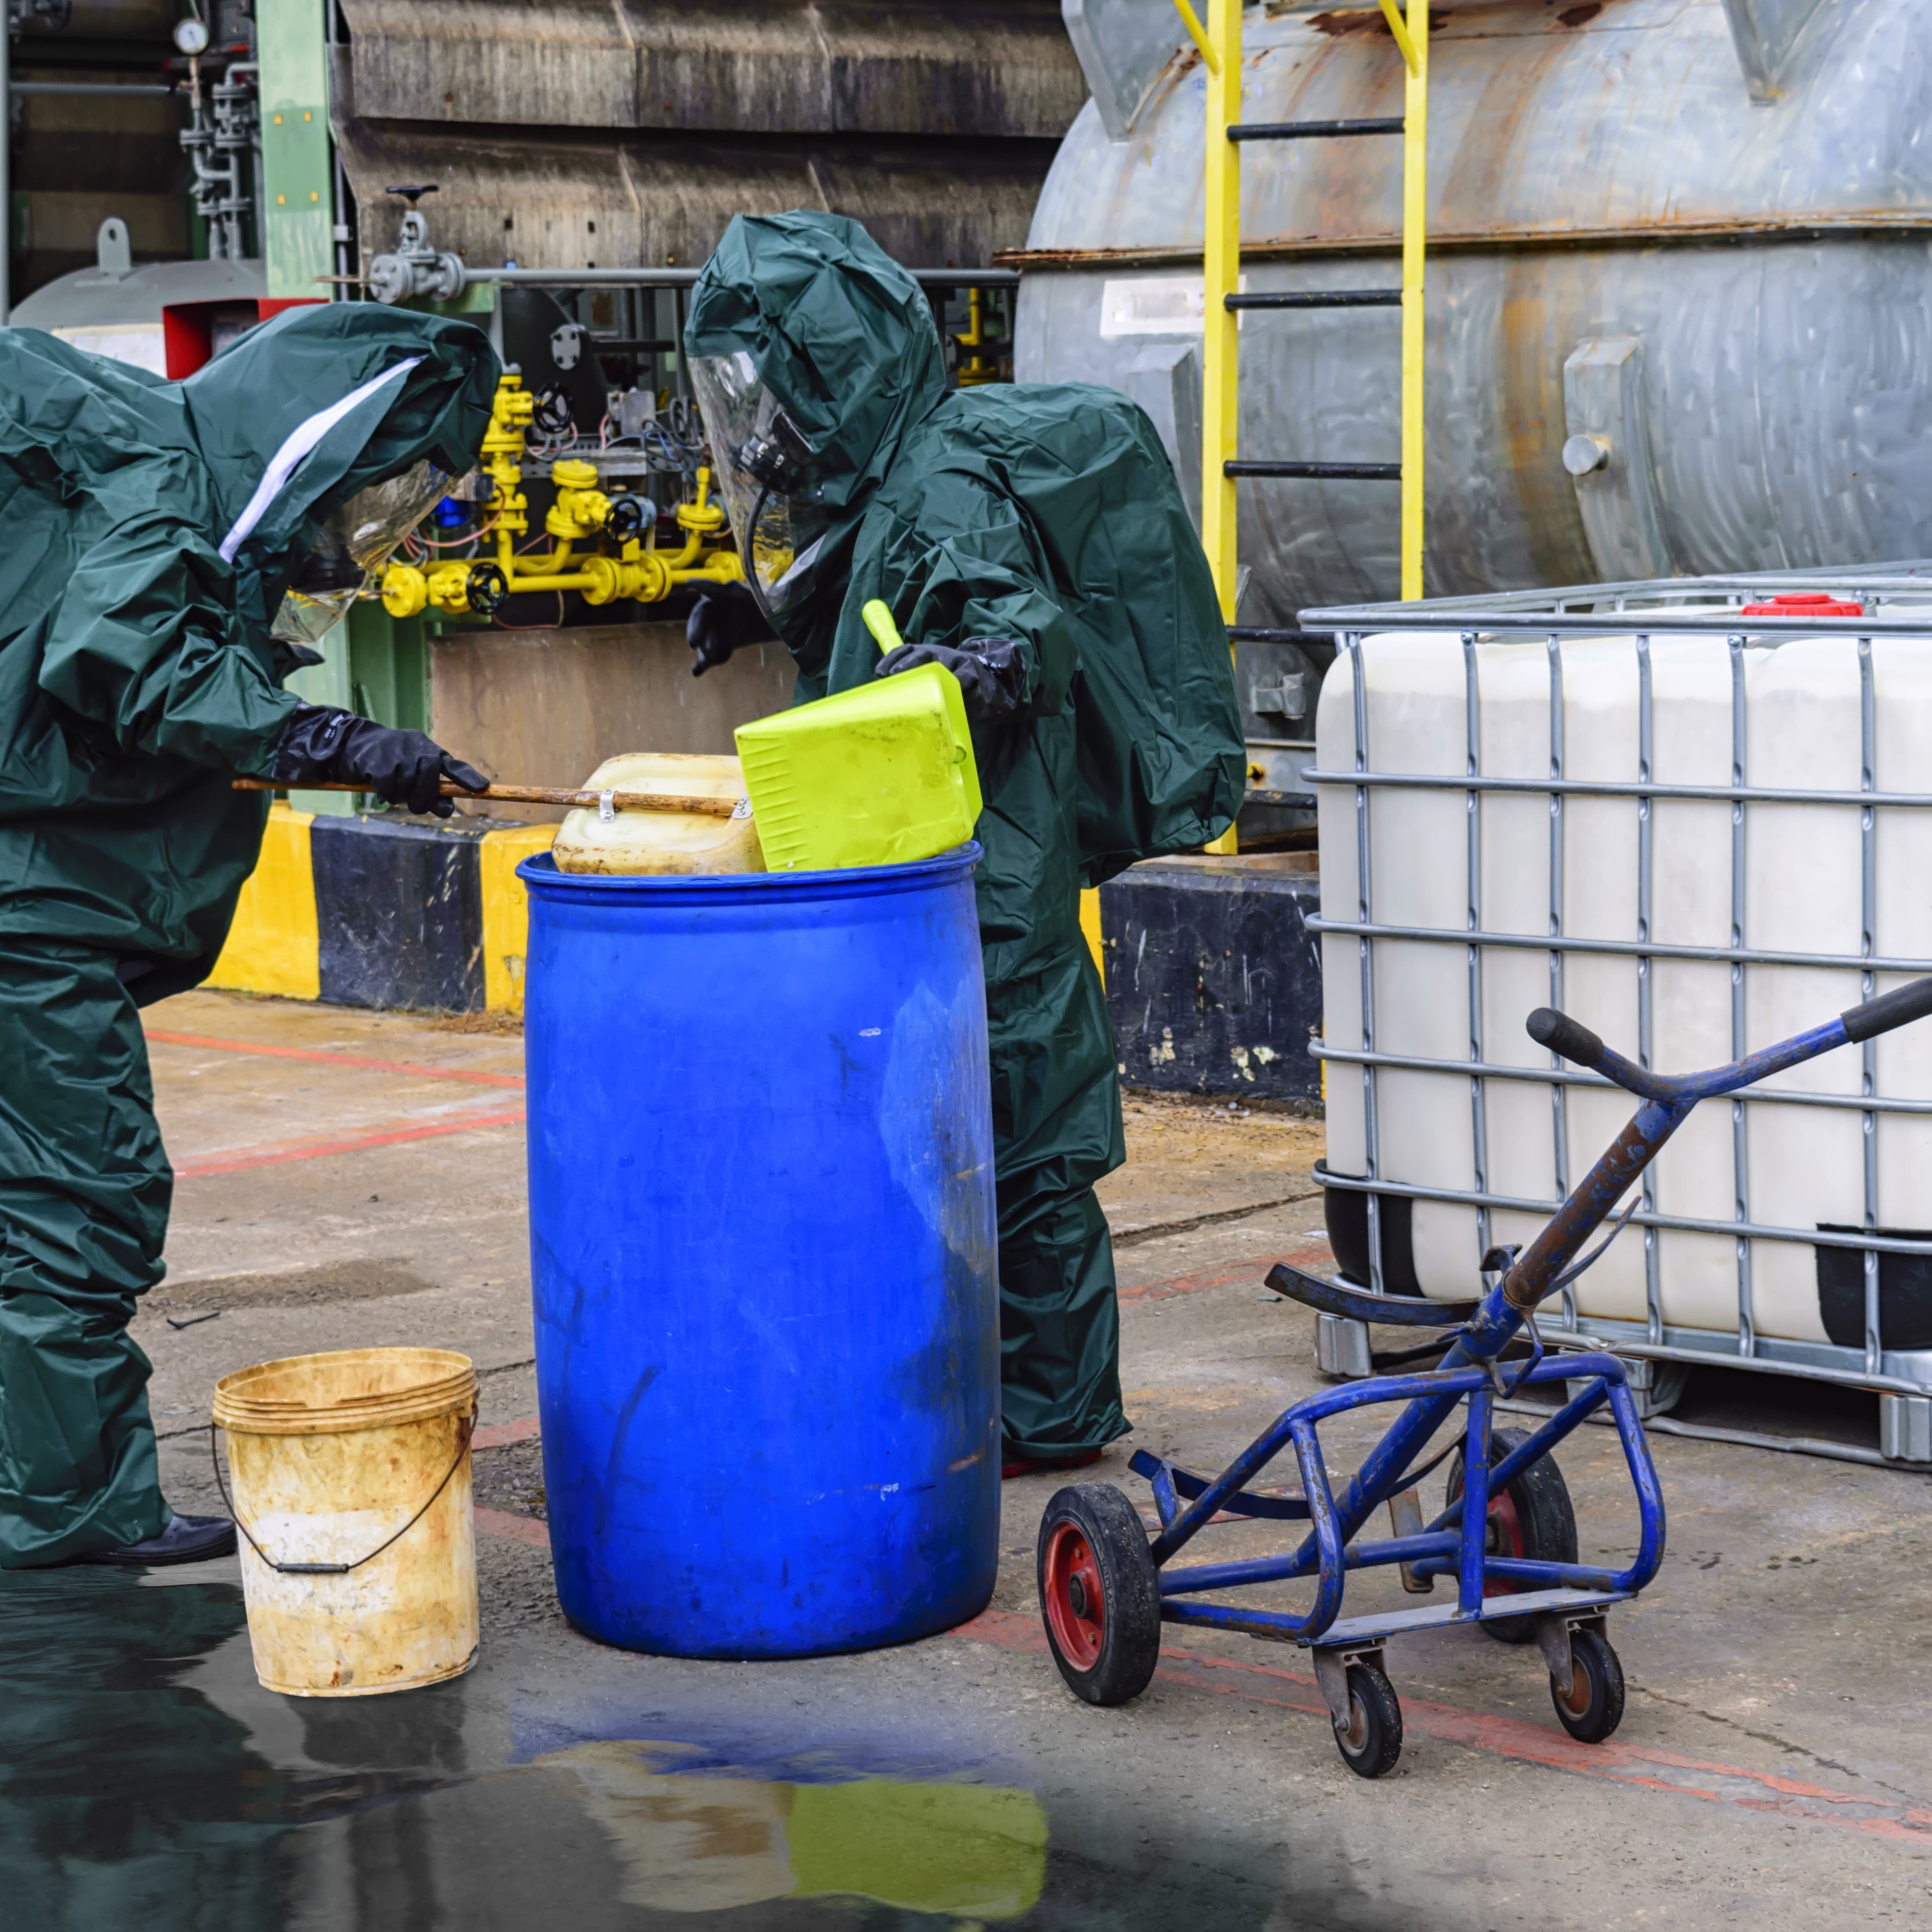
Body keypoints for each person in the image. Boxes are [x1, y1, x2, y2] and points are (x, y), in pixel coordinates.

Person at [684, 213, 1244, 1477]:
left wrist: (987, 660)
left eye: (778, 387)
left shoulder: (940, 483)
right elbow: (880, 608)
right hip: (930, 857)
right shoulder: (887, 476)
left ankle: (1053, 1414)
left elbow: (1012, 621)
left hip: (992, 868)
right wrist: (757, 612)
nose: (766, 430)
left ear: (834, 367)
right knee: (946, 1139)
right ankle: (985, 1383)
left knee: (1026, 1147)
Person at [0, 304, 498, 1567]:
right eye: (375, 497)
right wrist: (327, 740)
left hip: (36, 898)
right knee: (79, 1203)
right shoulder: (165, 488)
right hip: (31, 920)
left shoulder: (152, 473)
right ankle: (68, 1510)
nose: (371, 535)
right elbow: (129, 661)